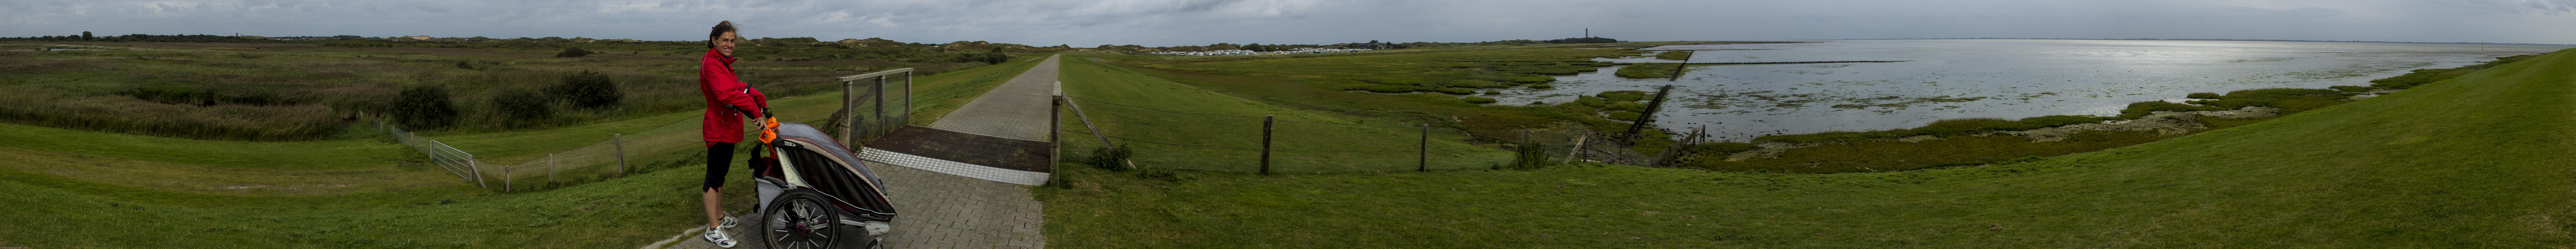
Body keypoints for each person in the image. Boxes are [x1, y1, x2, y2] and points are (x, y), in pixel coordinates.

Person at [697, 20, 769, 248]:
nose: (730, 45)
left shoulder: (723, 63)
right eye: (725, 41)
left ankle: (719, 216)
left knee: (721, 176)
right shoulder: (712, 65)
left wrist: (758, 97)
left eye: (733, 41)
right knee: (713, 178)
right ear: (714, 41)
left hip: (727, 127)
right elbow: (727, 95)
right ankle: (713, 229)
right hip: (718, 128)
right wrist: (756, 113)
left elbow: (737, 86)